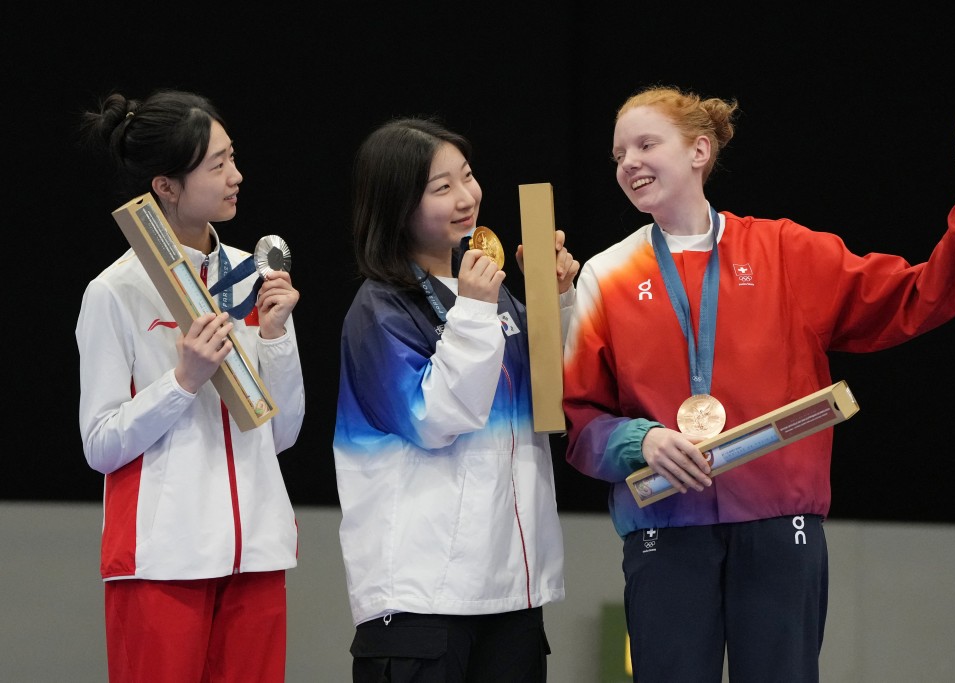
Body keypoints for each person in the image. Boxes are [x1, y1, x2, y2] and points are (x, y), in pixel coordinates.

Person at [562, 85, 955, 682]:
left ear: (698, 151)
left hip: (778, 527)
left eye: (645, 144)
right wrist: (642, 442)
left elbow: (915, 296)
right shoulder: (606, 275)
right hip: (665, 526)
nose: (628, 163)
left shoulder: (784, 251)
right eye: (618, 155)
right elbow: (581, 422)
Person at [332, 116, 579, 682]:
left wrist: (554, 303)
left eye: (467, 177)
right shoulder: (380, 310)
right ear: (398, 204)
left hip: (512, 588)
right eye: (442, 188)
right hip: (422, 597)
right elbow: (436, 418)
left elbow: (549, 404)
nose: (467, 198)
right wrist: (473, 310)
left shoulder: (494, 299)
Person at [76, 89, 305, 683]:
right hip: (160, 561)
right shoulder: (115, 292)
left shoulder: (250, 277)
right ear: (166, 186)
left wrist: (277, 338)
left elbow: (280, 434)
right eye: (217, 164)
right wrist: (183, 382)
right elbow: (100, 444)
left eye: (232, 158)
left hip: (256, 553)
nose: (237, 176)